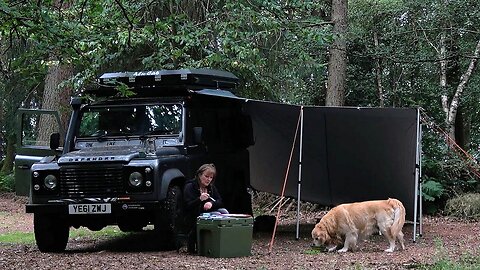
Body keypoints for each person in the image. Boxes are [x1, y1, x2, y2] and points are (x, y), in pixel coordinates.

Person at [183, 163, 229, 253]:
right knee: (217, 214)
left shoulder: (211, 187)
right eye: (206, 176)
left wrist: (211, 203)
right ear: (200, 175)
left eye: (211, 178)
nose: (208, 180)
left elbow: (220, 201)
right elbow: (187, 206)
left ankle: (224, 241)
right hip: (194, 215)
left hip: (208, 212)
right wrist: (199, 200)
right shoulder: (190, 187)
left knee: (224, 212)